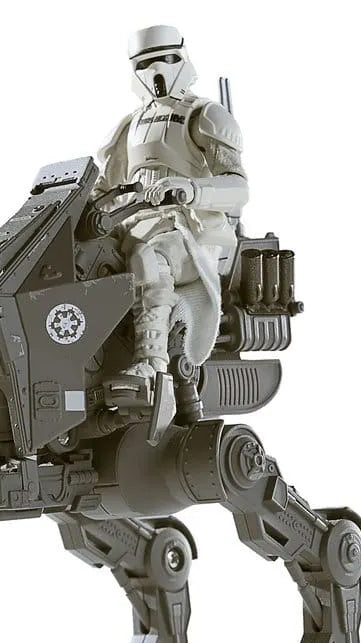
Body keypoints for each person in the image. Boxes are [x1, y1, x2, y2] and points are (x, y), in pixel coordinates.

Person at [94, 24, 249, 381]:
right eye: (144, 63)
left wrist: (191, 189)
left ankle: (152, 364)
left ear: (181, 57)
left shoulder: (203, 115)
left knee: (151, 260)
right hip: (136, 227)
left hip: (190, 235)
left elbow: (238, 188)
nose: (155, 70)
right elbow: (105, 188)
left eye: (165, 59)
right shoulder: (131, 125)